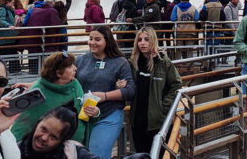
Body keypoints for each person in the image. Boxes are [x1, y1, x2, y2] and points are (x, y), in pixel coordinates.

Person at [75, 26, 135, 159]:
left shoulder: (120, 62)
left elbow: (130, 90)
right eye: (90, 39)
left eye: (97, 39)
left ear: (107, 41)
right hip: (83, 116)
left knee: (97, 154)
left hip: (108, 115)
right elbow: (62, 78)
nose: (92, 42)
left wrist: (105, 96)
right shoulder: (80, 60)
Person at [10, 52, 92, 144]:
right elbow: (23, 124)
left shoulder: (75, 83)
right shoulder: (38, 93)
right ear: (58, 73)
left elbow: (82, 112)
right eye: (70, 67)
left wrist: (95, 113)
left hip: (76, 147)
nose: (75, 68)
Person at [129, 26, 181, 154]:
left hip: (157, 122)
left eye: (146, 39)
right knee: (141, 154)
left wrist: (163, 107)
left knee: (159, 154)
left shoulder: (163, 62)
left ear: (153, 41)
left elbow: (176, 84)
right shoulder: (132, 63)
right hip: (138, 120)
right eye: (140, 40)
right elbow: (127, 84)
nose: (142, 43)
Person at [17, 106, 100, 159]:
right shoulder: (14, 150)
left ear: (63, 141)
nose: (44, 138)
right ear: (38, 123)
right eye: (43, 129)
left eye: (53, 137)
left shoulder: (73, 153)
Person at [20, 0, 62, 74]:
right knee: (48, 60)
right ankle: (48, 74)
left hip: (32, 40)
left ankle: (32, 73)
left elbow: (25, 22)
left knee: (33, 59)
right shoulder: (52, 11)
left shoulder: (32, 10)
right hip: (48, 41)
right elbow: (58, 25)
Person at [0, 0, 20, 74]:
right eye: (12, 2)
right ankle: (10, 70)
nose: (13, 4)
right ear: (7, 2)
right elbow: (0, 20)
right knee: (8, 53)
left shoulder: (7, 9)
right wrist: (8, 26)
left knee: (10, 53)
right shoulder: (2, 9)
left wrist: (13, 11)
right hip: (4, 37)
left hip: (8, 36)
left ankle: (10, 70)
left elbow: (12, 18)